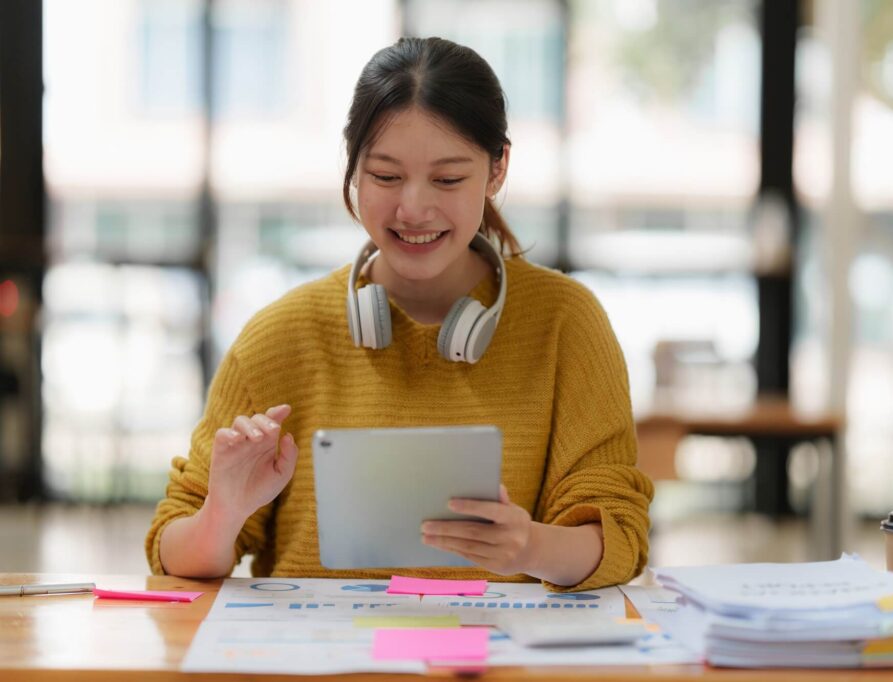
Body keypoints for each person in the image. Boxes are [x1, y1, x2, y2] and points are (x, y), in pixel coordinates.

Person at [146, 36, 652, 591]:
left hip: (494, 646)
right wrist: (223, 512)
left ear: (497, 169)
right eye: (386, 176)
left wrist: (530, 547)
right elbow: (173, 554)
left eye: (448, 179)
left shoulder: (566, 323)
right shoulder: (279, 336)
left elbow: (619, 538)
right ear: (354, 167)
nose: (413, 208)